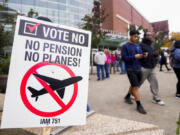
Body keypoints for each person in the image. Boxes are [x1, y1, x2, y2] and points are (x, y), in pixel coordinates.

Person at [121, 30, 147, 114]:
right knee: (135, 87)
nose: (136, 38)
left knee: (134, 85)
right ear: (130, 36)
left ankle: (127, 96)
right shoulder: (125, 46)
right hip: (130, 69)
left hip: (138, 68)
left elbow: (139, 56)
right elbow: (124, 58)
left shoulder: (138, 46)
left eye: (137, 36)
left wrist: (143, 56)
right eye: (135, 36)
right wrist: (133, 57)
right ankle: (139, 105)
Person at [140, 32, 165, 105]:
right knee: (139, 82)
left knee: (154, 82)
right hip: (144, 67)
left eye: (150, 35)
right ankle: (132, 93)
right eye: (148, 35)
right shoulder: (141, 45)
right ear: (145, 36)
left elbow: (154, 55)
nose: (149, 36)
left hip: (152, 67)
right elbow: (139, 55)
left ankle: (155, 97)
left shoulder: (152, 45)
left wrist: (156, 55)